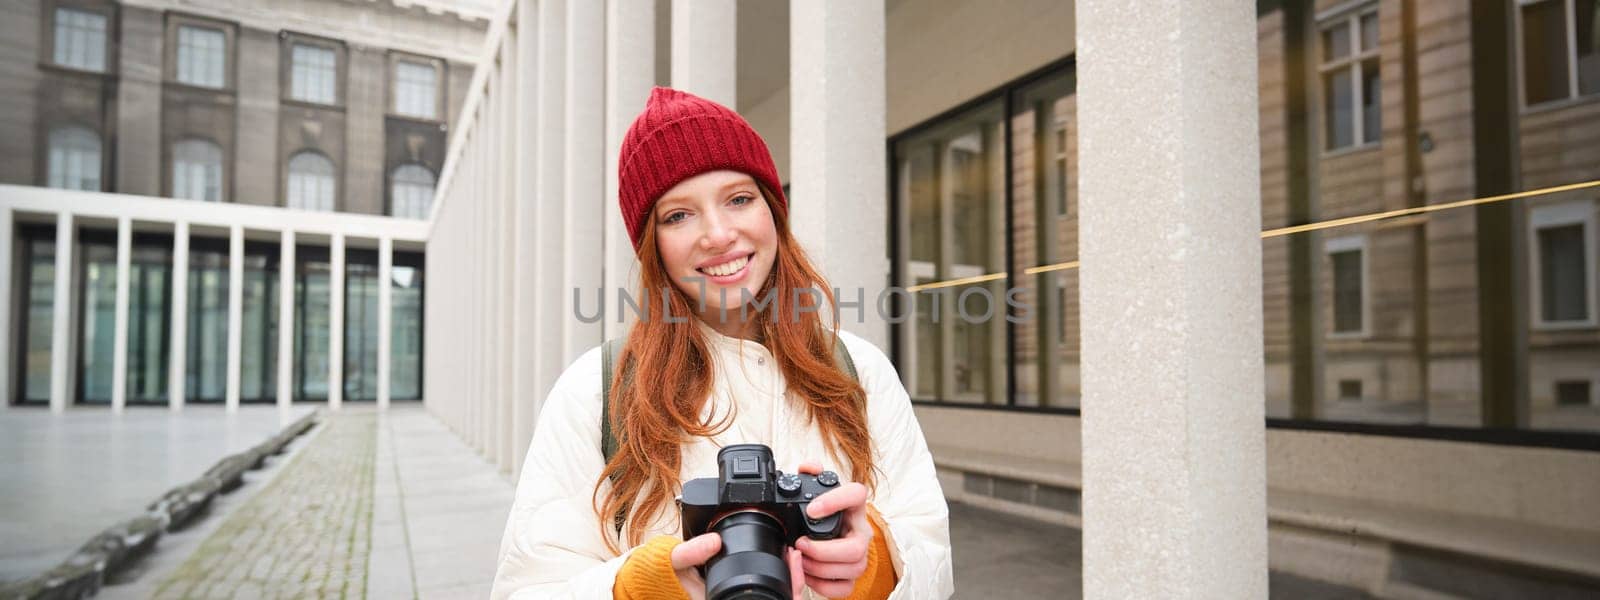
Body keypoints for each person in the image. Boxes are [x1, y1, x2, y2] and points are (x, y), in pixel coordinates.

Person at [490, 86, 953, 600]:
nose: (717, 234)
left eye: (738, 199)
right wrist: (639, 586)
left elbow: (931, 547)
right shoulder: (597, 391)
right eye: (678, 215)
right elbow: (526, 588)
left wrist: (878, 562)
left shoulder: (857, 369)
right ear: (653, 246)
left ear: (773, 212)